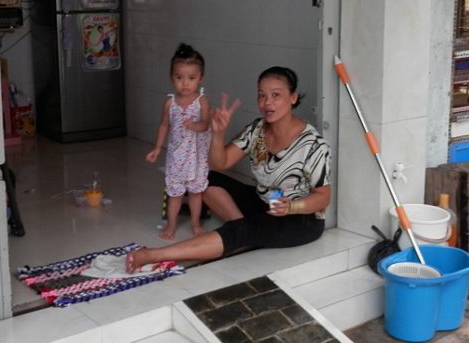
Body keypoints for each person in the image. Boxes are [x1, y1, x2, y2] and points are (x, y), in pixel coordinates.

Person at [129, 66, 330, 272]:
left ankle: (153, 255)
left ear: (293, 97)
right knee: (204, 179)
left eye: (276, 95)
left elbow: (323, 196)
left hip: (300, 219)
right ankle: (246, 231)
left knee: (238, 229)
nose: (267, 102)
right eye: (262, 95)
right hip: (265, 202)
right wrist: (218, 134)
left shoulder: (312, 144)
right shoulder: (257, 128)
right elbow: (220, 163)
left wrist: (292, 207)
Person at [146, 44, 212, 241]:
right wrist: (157, 148)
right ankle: (171, 224)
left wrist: (195, 125)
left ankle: (195, 223)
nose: (185, 83)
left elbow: (205, 125)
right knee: (174, 193)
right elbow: (164, 126)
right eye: (179, 77)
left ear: (200, 78)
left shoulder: (202, 101)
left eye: (191, 78)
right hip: (176, 156)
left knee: (195, 192)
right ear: (171, 77)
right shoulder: (170, 103)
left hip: (196, 157)